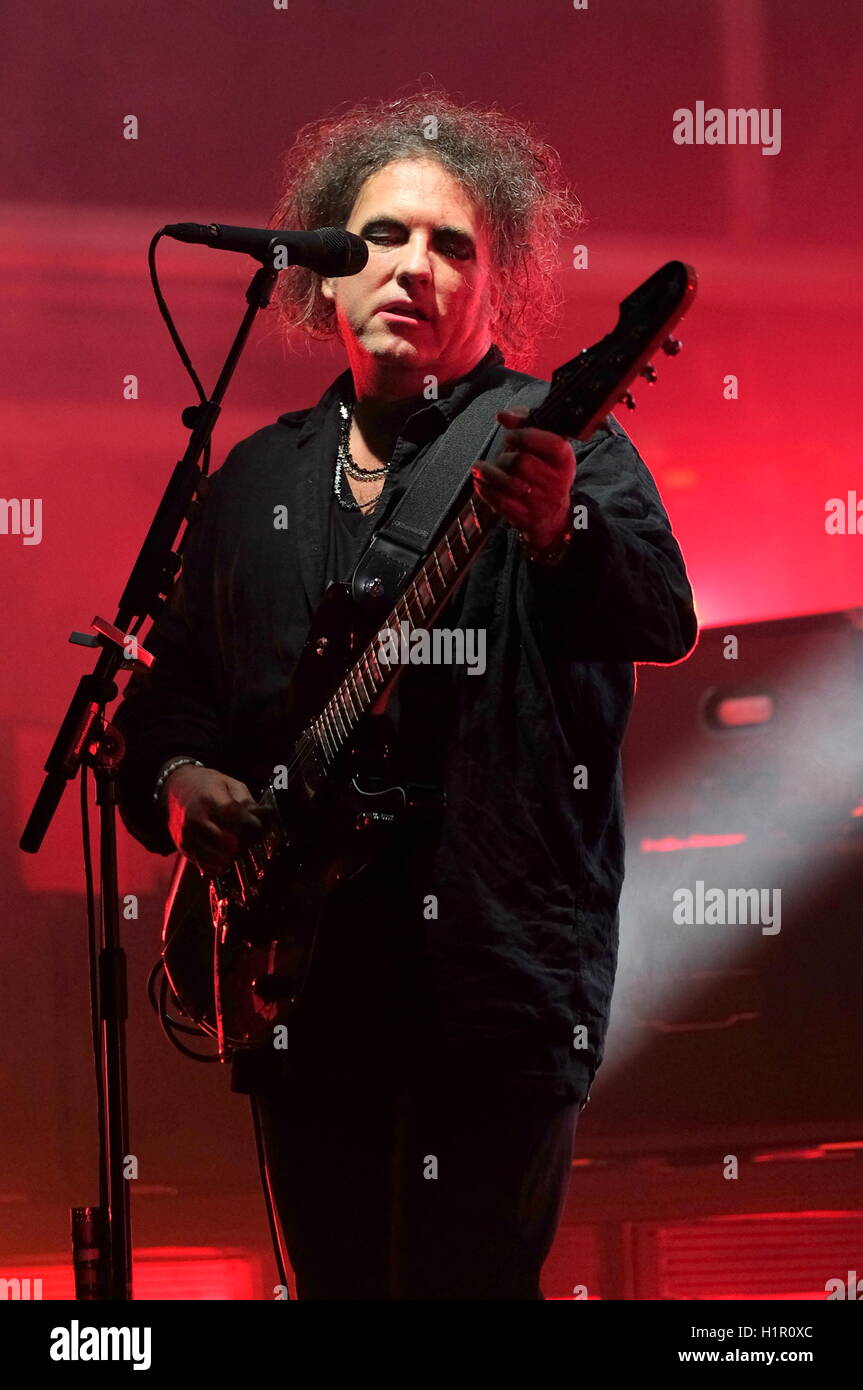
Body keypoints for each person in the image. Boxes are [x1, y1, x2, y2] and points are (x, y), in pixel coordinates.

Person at [113, 90, 698, 1300]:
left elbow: (661, 616)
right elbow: (168, 701)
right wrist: (178, 786)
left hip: (491, 976)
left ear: (500, 285)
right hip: (302, 982)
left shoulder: (559, 441)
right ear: (321, 272)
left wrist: (564, 532)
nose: (413, 267)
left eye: (452, 245)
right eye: (380, 236)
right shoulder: (253, 479)